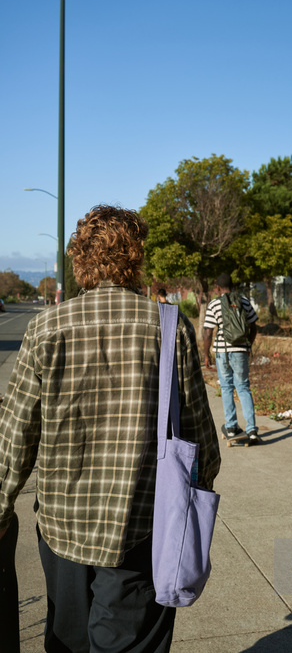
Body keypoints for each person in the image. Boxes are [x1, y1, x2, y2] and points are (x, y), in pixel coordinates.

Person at [0, 205, 220, 653]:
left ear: (79, 261)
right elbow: (200, 441)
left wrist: (2, 508)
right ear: (136, 258)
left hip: (62, 527)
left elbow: (15, 435)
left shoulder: (45, 328)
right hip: (139, 526)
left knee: (67, 640)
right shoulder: (168, 328)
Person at [203, 273, 259, 441]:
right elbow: (254, 326)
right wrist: (248, 345)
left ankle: (232, 427)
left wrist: (206, 355)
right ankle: (252, 429)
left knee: (227, 388)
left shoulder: (214, 304)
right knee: (243, 388)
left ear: (218, 288)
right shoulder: (244, 302)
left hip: (222, 352)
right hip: (241, 351)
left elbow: (207, 332)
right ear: (233, 287)